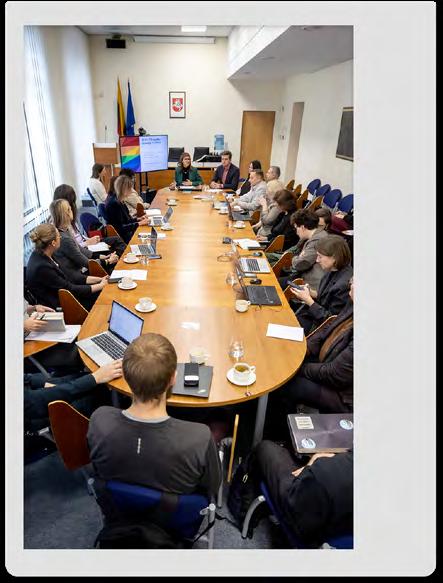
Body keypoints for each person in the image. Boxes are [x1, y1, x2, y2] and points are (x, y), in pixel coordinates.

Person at [87, 333, 222, 497]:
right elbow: (212, 487)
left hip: (116, 508)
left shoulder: (99, 420)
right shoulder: (199, 438)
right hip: (173, 512)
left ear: (125, 377)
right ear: (173, 379)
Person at [270, 278, 354, 416]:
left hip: (342, 394)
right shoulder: (353, 304)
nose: (351, 282)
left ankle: (280, 425)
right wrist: (304, 349)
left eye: (356, 281)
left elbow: (335, 373)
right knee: (281, 360)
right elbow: (326, 330)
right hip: (326, 361)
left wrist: (298, 368)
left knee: (287, 384)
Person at [250, 441, 353, 548]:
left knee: (265, 447)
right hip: (345, 530)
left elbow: (303, 492)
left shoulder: (323, 474)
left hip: (304, 522)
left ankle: (244, 507)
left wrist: (311, 467)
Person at [26, 224, 108, 310]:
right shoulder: (42, 267)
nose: (60, 238)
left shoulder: (44, 253)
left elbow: (71, 276)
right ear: (53, 243)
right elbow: (69, 289)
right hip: (59, 306)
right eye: (59, 236)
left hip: (66, 296)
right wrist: (100, 286)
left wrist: (100, 280)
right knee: (102, 296)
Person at [25, 360, 122, 433]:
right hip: (32, 415)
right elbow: (36, 402)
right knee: (99, 392)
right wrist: (95, 378)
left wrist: (44, 384)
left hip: (30, 392)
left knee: (86, 377)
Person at [289, 235, 353, 333]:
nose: (317, 260)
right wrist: (310, 293)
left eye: (320, 257)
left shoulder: (343, 285)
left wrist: (308, 300)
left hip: (319, 328)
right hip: (312, 317)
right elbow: (326, 297)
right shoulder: (333, 270)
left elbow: (330, 321)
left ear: (334, 258)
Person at [50, 199, 118, 280]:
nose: (72, 209)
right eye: (69, 208)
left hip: (80, 269)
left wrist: (104, 257)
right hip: (77, 276)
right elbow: (85, 263)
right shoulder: (64, 239)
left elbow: (80, 250)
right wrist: (108, 261)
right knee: (113, 269)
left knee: (113, 260)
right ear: (66, 214)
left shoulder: (65, 230)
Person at [53, 184, 126, 258]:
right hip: (84, 249)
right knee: (113, 250)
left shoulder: (70, 219)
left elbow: (79, 236)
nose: (74, 206)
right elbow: (73, 248)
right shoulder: (62, 226)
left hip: (86, 244)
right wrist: (87, 243)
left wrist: (90, 239)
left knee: (116, 240)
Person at [277, 209, 329, 292]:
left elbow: (300, 264)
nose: (296, 232)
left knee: (275, 285)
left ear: (302, 227)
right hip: (306, 277)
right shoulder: (318, 235)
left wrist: (295, 258)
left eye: (296, 228)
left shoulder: (317, 240)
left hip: (311, 284)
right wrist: (300, 257)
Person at [105, 175, 149, 243]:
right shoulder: (114, 204)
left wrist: (138, 219)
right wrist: (139, 223)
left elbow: (126, 220)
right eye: (130, 188)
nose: (131, 191)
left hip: (127, 232)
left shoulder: (119, 200)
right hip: (124, 237)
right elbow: (120, 228)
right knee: (148, 237)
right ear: (124, 189)